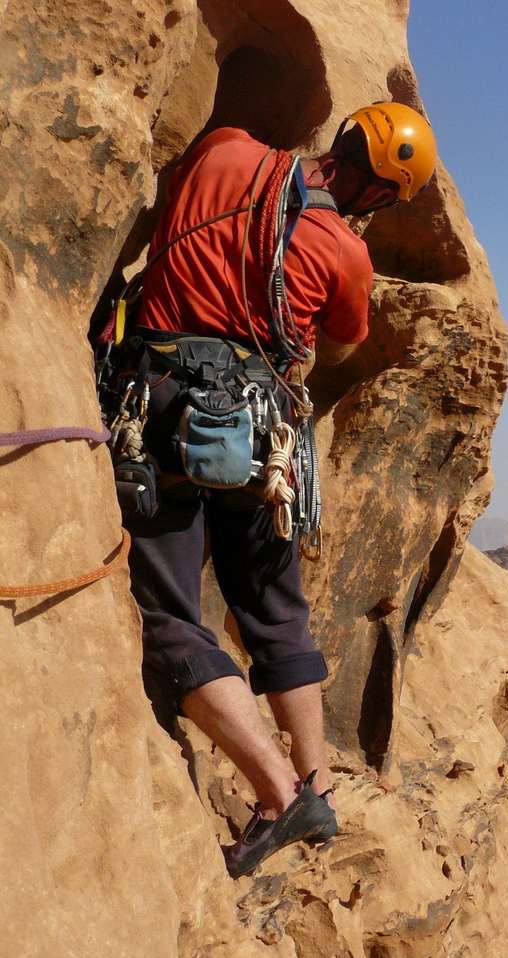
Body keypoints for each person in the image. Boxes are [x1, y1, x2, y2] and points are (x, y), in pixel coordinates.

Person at [114, 102, 437, 877]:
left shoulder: (223, 147)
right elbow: (344, 337)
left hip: (163, 408)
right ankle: (304, 785)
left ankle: (287, 790)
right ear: (380, 196)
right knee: (273, 610)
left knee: (165, 612)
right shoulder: (344, 252)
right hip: (260, 435)